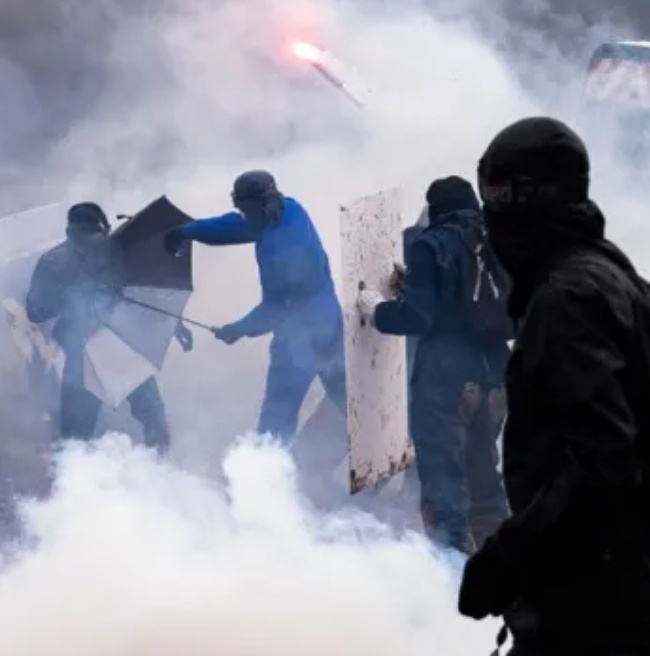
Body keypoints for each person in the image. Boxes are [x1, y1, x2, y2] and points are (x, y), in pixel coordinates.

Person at [457, 117, 650, 656]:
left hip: (601, 601)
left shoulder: (568, 299)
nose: (492, 216)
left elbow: (605, 459)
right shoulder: (606, 276)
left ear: (536, 197)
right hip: (628, 585)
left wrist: (509, 552)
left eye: (502, 195)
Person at [370, 176, 511, 553]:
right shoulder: (502, 240)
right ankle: (503, 575)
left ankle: (449, 579)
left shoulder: (428, 244)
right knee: (485, 478)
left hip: (447, 379)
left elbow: (418, 319)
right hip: (497, 374)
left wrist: (378, 311)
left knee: (443, 485)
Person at [165, 171, 345, 443]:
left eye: (243, 208)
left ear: (254, 205)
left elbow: (276, 308)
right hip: (330, 326)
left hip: (300, 339)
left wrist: (238, 329)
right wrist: (187, 231)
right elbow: (235, 227)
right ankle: (389, 448)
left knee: (277, 418)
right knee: (352, 403)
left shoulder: (278, 248)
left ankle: (266, 476)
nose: (241, 214)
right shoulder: (289, 209)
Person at [27, 202, 184, 451]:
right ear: (72, 234)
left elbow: (148, 291)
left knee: (153, 418)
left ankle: (161, 473)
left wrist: (176, 324)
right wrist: (66, 299)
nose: (93, 242)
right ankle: (75, 480)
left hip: (122, 343)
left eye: (97, 236)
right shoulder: (56, 262)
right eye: (86, 236)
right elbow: (35, 312)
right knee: (77, 436)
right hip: (88, 350)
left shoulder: (116, 252)